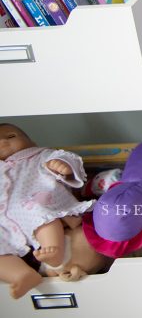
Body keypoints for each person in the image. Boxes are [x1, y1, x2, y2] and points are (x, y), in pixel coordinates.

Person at [0, 124, 92, 300]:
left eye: (11, 136)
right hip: (4, 222)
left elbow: (66, 158)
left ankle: (54, 251)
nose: (3, 141)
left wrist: (62, 165)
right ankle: (20, 275)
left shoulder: (39, 156)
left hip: (37, 204)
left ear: (31, 142)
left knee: (39, 213)